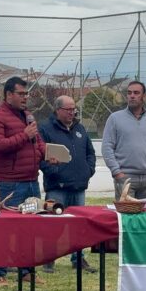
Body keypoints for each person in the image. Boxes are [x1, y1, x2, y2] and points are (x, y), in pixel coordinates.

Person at [0, 76, 48, 286]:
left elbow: (37, 142)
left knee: (30, 231)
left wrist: (47, 154)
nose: (25, 98)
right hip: (9, 184)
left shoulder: (28, 116)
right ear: (9, 95)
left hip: (31, 181)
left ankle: (27, 271)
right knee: (5, 230)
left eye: (26, 94)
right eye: (21, 94)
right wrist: (24, 134)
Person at [39, 95, 97, 274]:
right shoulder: (45, 129)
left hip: (79, 187)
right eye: (69, 109)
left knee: (78, 226)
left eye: (74, 109)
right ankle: (49, 258)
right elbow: (40, 156)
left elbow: (90, 152)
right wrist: (55, 172)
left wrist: (88, 170)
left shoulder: (79, 128)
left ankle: (78, 259)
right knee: (53, 225)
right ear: (58, 110)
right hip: (57, 188)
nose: (73, 113)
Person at [102, 81, 146, 200]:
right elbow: (107, 147)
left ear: (144, 97)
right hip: (125, 178)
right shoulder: (115, 119)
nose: (132, 96)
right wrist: (117, 173)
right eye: (129, 93)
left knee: (145, 217)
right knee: (126, 217)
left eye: (136, 93)